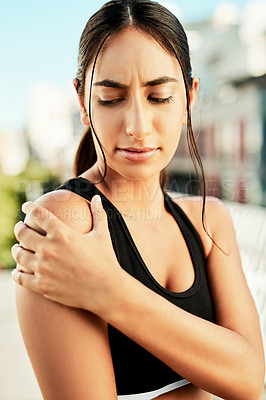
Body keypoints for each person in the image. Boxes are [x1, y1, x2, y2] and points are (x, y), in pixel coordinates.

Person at [11, 0, 265, 399]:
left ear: (188, 99)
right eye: (111, 98)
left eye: (159, 96)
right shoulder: (64, 224)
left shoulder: (207, 220)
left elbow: (249, 378)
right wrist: (202, 383)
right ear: (82, 103)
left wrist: (108, 290)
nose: (137, 127)